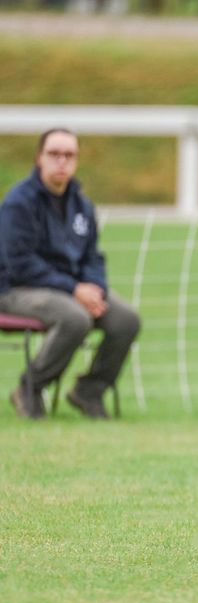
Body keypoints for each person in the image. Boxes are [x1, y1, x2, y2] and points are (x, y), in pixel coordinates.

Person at [0, 128, 140, 419]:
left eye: (69, 155)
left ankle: (89, 390)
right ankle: (30, 388)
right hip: (17, 289)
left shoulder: (81, 205)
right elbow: (20, 263)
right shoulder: (18, 204)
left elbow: (93, 256)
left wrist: (95, 289)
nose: (62, 161)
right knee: (76, 318)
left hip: (71, 289)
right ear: (40, 158)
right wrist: (74, 290)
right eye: (54, 154)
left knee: (126, 319)